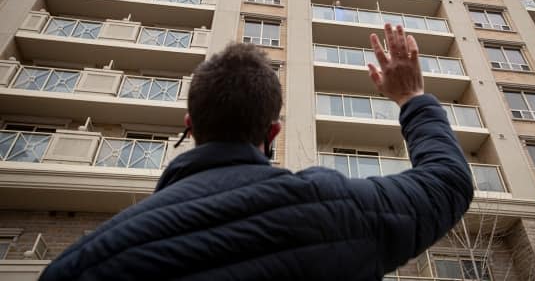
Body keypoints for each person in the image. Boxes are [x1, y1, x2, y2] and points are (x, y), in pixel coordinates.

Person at [39, 23, 473, 280]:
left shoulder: (83, 262)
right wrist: (412, 98)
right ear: (274, 131)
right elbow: (447, 182)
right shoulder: (336, 211)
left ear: (191, 128)